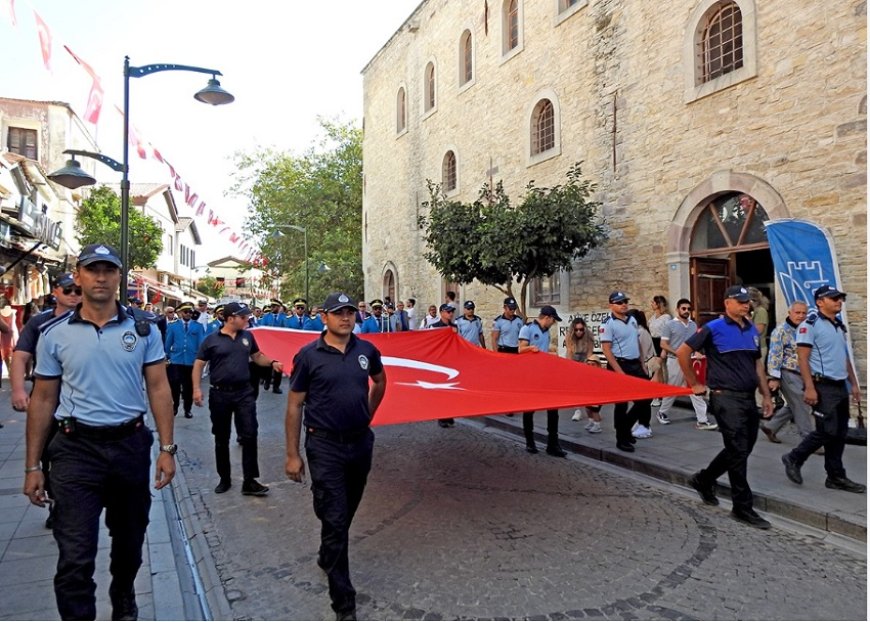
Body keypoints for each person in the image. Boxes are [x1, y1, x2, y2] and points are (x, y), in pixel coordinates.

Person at [23, 243, 176, 620]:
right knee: (75, 555)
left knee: (129, 541)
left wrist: (167, 448)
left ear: (120, 278)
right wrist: (32, 467)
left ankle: (122, 592)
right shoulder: (55, 333)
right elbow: (43, 399)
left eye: (109, 270)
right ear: (79, 275)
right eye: (93, 270)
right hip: (76, 450)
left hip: (129, 446)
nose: (101, 277)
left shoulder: (143, 329)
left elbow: (158, 388)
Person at [285, 292, 387, 622]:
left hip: (359, 443)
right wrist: (292, 455)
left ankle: (328, 550)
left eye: (349, 312)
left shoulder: (366, 350)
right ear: (323, 318)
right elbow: (295, 405)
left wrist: (367, 413)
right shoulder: (308, 356)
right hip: (324, 445)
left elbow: (380, 380)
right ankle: (343, 601)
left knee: (345, 510)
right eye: (337, 313)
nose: (345, 318)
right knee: (335, 517)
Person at [677, 285, 774, 529]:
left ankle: (704, 479)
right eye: (740, 301)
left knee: (741, 448)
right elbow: (682, 352)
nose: (746, 305)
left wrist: (766, 395)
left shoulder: (751, 328)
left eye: (748, 301)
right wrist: (694, 383)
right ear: (727, 303)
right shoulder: (713, 328)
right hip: (725, 398)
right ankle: (742, 507)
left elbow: (757, 365)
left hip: (748, 398)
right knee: (738, 450)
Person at [10, 272, 82, 527]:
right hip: (48, 400)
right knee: (48, 456)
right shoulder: (40, 322)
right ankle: (57, 503)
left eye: (77, 291)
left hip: (80, 403)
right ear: (56, 293)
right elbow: (20, 356)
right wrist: (18, 390)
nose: (74, 295)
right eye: (68, 290)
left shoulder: (90, 319)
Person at [781, 286, 865, 494]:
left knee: (839, 433)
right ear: (820, 302)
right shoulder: (810, 325)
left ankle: (836, 476)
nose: (839, 302)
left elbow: (842, 356)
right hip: (822, 384)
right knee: (826, 430)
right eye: (834, 298)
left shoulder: (838, 325)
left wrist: (853, 383)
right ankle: (794, 457)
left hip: (839, 385)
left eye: (840, 298)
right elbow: (802, 358)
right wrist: (809, 387)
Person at [193, 301, 283, 496]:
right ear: (230, 318)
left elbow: (257, 356)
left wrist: (272, 362)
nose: (247, 320)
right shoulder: (212, 340)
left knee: (250, 434)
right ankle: (224, 478)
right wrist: (196, 389)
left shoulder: (248, 337)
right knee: (221, 437)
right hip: (219, 394)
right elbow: (199, 364)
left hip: (244, 393)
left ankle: (250, 481)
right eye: (243, 317)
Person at [601, 291, 652, 451]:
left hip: (635, 364)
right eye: (619, 302)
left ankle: (625, 427)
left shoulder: (632, 320)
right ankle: (621, 438)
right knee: (621, 404)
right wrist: (619, 372)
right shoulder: (607, 324)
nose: (623, 304)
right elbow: (606, 350)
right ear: (611, 305)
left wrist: (642, 363)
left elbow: (637, 342)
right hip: (620, 365)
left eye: (625, 301)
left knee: (645, 398)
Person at [657, 299, 718, 430]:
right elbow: (663, 344)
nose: (686, 311)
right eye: (683, 308)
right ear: (677, 309)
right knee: (673, 387)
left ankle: (702, 420)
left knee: (695, 387)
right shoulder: (669, 325)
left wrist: (697, 353)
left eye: (688, 309)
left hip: (691, 361)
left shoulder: (693, 325)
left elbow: (695, 344)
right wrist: (679, 353)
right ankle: (662, 412)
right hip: (674, 360)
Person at [761, 301, 813, 443]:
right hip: (788, 372)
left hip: (804, 373)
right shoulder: (780, 331)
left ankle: (771, 426)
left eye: (804, 313)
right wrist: (774, 377)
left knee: (794, 403)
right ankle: (808, 439)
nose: (801, 316)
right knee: (802, 404)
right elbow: (774, 355)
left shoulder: (807, 329)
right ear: (790, 313)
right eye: (797, 312)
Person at [520, 306, 567, 457]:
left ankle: (553, 444)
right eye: (553, 320)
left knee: (553, 408)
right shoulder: (527, 329)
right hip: (530, 375)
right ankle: (530, 442)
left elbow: (544, 350)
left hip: (546, 374)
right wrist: (531, 349)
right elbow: (520, 349)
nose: (553, 323)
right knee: (529, 409)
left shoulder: (546, 332)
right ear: (547, 317)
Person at [164, 301, 206, 419]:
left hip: (191, 361)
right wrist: (166, 356)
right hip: (176, 360)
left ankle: (188, 409)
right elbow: (168, 342)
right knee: (174, 386)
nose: (188, 314)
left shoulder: (197, 326)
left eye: (190, 312)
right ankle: (175, 406)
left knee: (188, 387)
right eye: (186, 312)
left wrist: (201, 358)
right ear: (181, 313)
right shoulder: (173, 326)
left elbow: (201, 343)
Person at [565, 317, 602, 433]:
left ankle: (593, 417)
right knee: (575, 388)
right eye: (576, 330)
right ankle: (577, 410)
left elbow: (589, 353)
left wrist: (588, 368)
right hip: (574, 359)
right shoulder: (569, 336)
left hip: (585, 359)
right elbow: (570, 353)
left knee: (586, 389)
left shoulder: (589, 335)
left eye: (581, 329)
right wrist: (572, 370)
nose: (579, 332)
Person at [428, 304, 458, 427]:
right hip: (439, 362)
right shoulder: (434, 327)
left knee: (451, 390)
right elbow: (430, 343)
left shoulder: (455, 327)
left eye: (451, 312)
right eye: (448, 312)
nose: (450, 314)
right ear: (442, 313)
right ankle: (441, 416)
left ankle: (449, 415)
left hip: (452, 361)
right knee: (441, 390)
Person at [648, 295, 672, 400]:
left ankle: (662, 391)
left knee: (661, 366)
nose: (651, 304)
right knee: (657, 368)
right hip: (653, 342)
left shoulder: (666, 317)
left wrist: (664, 348)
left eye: (653, 302)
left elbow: (668, 332)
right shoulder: (652, 317)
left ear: (658, 304)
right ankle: (660, 391)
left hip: (662, 341)